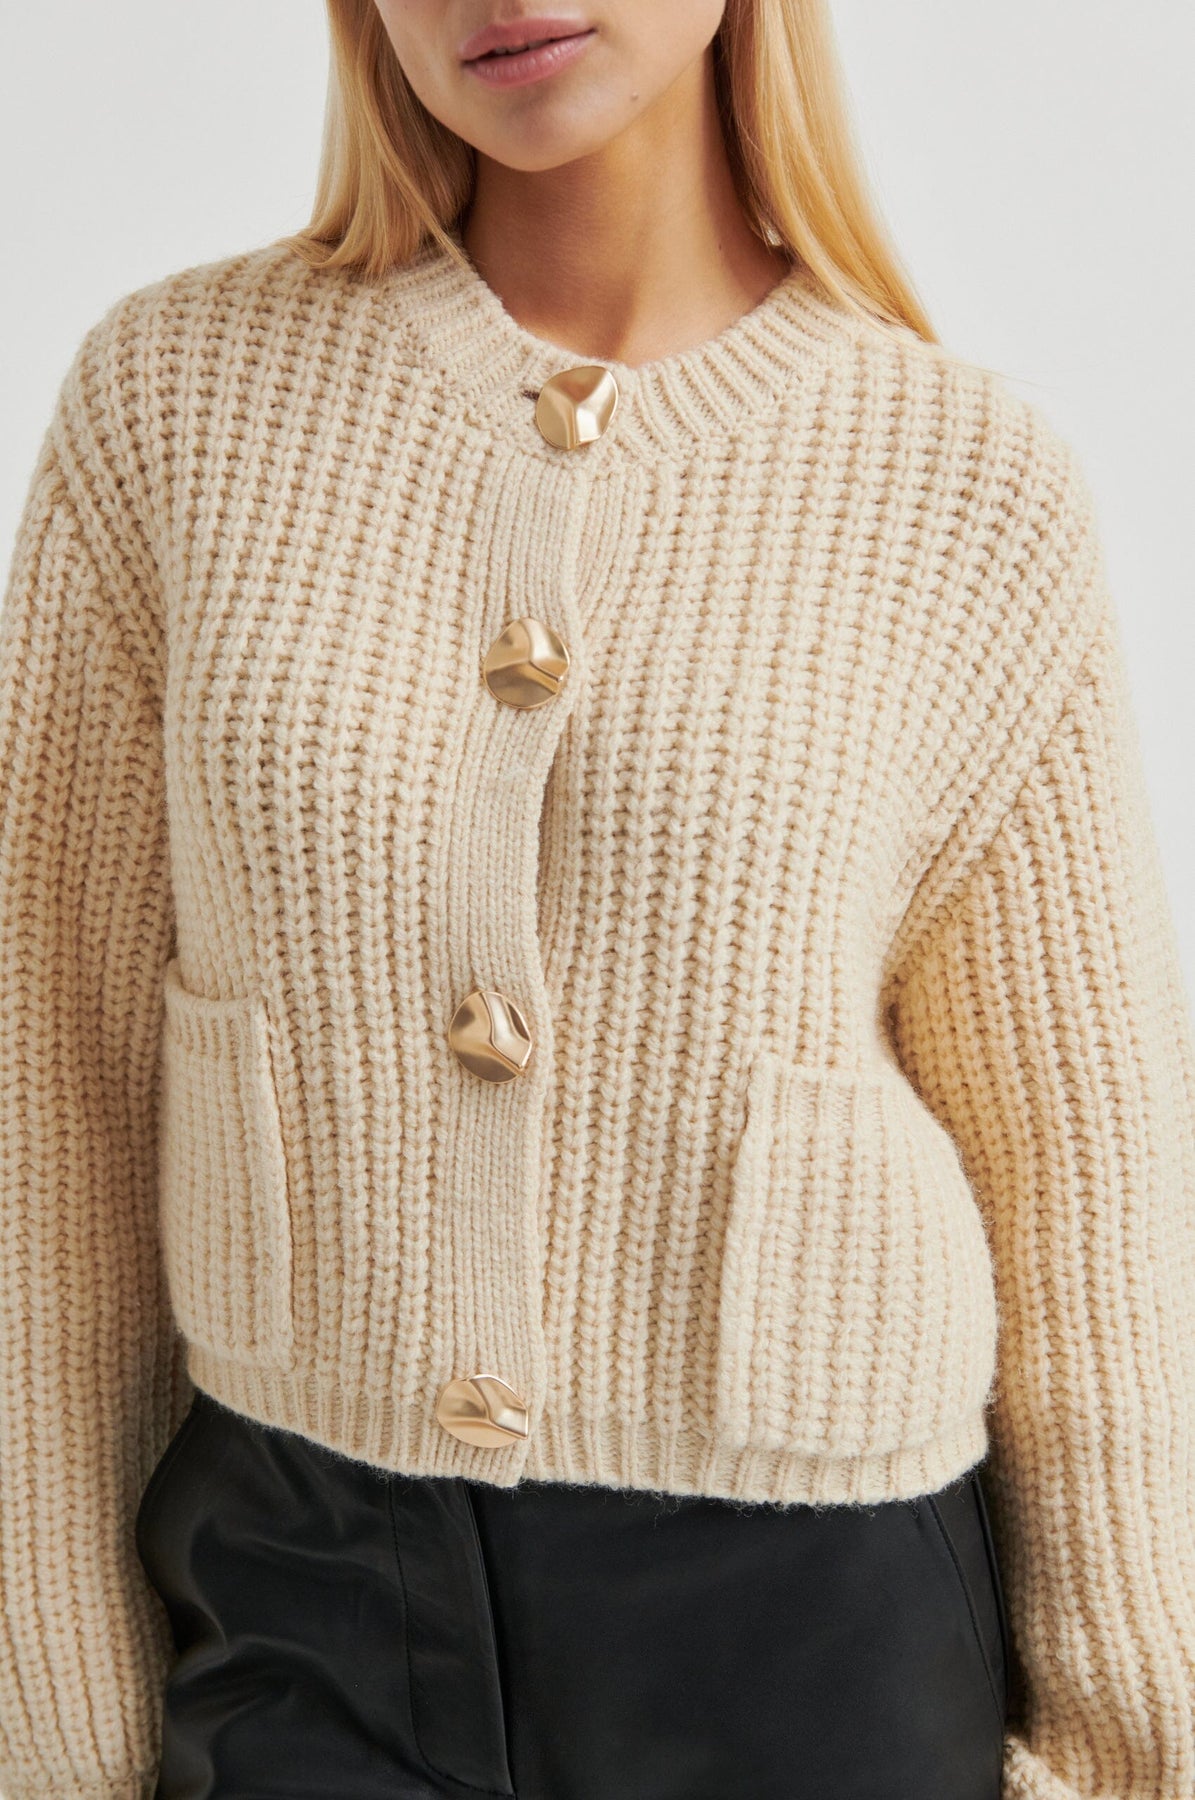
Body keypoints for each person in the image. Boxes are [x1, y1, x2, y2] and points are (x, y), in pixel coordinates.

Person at [1, 0, 1192, 1795]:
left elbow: (1089, 1179)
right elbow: (47, 1095)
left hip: (808, 1640)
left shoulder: (964, 483)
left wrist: (1125, 1759)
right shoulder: (177, 407)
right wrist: (51, 1731)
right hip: (301, 1594)